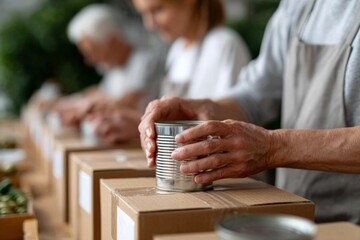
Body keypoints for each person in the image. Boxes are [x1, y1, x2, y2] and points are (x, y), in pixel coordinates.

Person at [139, 0, 360, 225]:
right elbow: (256, 93)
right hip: (298, 213)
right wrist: (205, 109)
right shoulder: (299, 5)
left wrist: (274, 147)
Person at [54, 3, 165, 127]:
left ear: (113, 41)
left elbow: (126, 104)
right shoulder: (114, 69)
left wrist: (83, 107)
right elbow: (97, 94)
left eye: (92, 51)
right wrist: (66, 103)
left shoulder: (145, 61)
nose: (89, 60)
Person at [132, 0, 250, 100]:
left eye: (158, 10)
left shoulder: (223, 45)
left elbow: (230, 119)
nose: (150, 24)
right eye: (144, 13)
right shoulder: (177, 50)